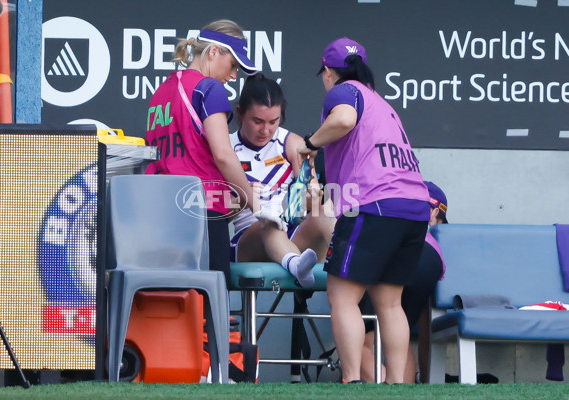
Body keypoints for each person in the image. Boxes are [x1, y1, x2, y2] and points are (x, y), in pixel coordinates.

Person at [298, 37, 431, 384]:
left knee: (342, 296)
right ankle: (396, 385)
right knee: (389, 303)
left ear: (328, 72)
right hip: (415, 207)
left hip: (375, 204)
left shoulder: (344, 92)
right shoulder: (381, 102)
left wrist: (310, 144)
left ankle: (353, 381)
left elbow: (342, 120)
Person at [145, 20, 286, 284]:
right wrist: (256, 205)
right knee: (211, 306)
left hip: (161, 212)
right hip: (202, 213)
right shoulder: (209, 89)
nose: (233, 75)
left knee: (173, 299)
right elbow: (223, 154)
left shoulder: (161, 92)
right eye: (233, 65)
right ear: (213, 52)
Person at [230, 73, 336, 286]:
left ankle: (357, 264)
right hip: (249, 241)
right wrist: (244, 200)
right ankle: (297, 265)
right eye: (257, 121)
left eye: (273, 121)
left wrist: (305, 195)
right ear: (240, 113)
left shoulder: (290, 142)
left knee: (326, 210)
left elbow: (312, 201)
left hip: (292, 231)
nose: (266, 130)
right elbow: (216, 211)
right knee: (269, 220)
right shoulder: (226, 147)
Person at [359, 181, 448, 384]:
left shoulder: (393, 211)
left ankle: (381, 386)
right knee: (400, 338)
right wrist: (427, 380)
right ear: (434, 213)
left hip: (394, 251)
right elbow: (427, 334)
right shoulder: (433, 239)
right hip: (431, 261)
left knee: (363, 339)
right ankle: (403, 390)